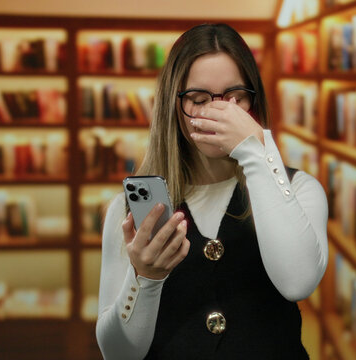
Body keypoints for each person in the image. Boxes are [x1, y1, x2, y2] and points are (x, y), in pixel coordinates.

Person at [96, 23, 328, 359]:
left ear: (254, 99)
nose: (219, 113)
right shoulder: (128, 211)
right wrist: (144, 280)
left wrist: (254, 150)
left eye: (235, 98)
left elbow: (298, 283)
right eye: (198, 99)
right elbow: (117, 354)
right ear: (173, 106)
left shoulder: (299, 189)